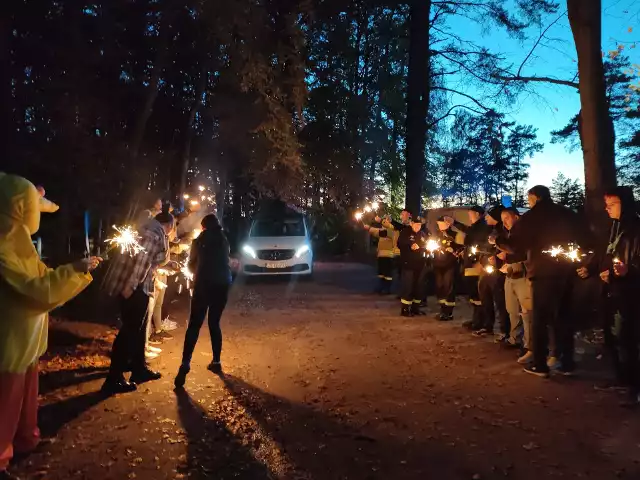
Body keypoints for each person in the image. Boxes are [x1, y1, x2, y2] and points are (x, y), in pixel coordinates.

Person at [0, 174, 101, 480]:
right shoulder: (4, 249)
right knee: (5, 402)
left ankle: (24, 440)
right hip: (9, 344)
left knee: (25, 397)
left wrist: (74, 270)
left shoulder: (19, 243)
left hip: (26, 341)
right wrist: (75, 271)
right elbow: (37, 289)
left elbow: (43, 276)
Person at [500, 185, 594, 378]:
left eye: (529, 199)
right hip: (567, 272)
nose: (529, 203)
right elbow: (587, 240)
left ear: (534, 198)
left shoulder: (532, 218)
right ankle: (567, 362)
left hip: (543, 273)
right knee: (564, 317)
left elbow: (516, 246)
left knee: (540, 318)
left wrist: (499, 242)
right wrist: (583, 262)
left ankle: (540, 364)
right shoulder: (568, 214)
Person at [102, 212, 174, 394]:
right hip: (135, 289)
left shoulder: (147, 228)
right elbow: (142, 262)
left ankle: (139, 369)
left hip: (139, 287)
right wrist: (131, 286)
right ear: (169, 226)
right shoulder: (155, 233)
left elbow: (148, 260)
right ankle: (114, 378)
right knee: (129, 332)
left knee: (139, 330)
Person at [175, 214, 232, 387]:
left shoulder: (198, 241)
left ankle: (185, 363)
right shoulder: (224, 240)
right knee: (214, 322)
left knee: (194, 324)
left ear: (204, 227)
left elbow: (191, 265)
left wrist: (197, 269)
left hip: (203, 285)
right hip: (222, 285)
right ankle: (216, 361)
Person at [595, 187, 640, 406]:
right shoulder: (614, 227)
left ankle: (634, 385)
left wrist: (628, 271)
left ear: (625, 204)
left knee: (630, 339)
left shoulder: (636, 229)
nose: (607, 209)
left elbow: (633, 261)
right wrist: (606, 271)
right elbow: (609, 254)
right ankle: (622, 378)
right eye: (606, 204)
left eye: (612, 204)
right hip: (613, 290)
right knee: (614, 335)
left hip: (631, 293)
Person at [495, 207, 533, 363]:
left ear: (516, 217)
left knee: (526, 311)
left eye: (507, 218)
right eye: (503, 220)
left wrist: (510, 256)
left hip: (522, 275)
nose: (505, 222)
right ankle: (514, 338)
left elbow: (521, 252)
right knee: (512, 309)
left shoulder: (524, 234)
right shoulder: (507, 234)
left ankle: (529, 345)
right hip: (509, 275)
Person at [446, 206, 492, 331]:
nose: (469, 216)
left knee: (478, 293)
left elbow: (472, 235)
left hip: (476, 264)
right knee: (473, 293)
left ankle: (482, 322)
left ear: (477, 214)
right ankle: (476, 319)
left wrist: (454, 223)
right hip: (469, 263)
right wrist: (462, 252)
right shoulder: (476, 227)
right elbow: (469, 240)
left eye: (470, 214)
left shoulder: (482, 227)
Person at [476, 206, 510, 340]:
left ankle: (504, 330)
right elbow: (485, 248)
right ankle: (487, 325)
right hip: (486, 270)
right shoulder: (490, 231)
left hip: (498, 272)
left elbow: (505, 249)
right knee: (485, 298)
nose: (485, 217)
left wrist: (495, 257)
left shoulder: (504, 231)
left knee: (500, 302)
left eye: (488, 215)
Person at [432, 216, 464, 321]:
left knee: (448, 287)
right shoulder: (436, 236)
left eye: (441, 223)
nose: (439, 225)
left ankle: (448, 312)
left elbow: (461, 248)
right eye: (438, 224)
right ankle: (442, 310)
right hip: (438, 264)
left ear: (448, 224)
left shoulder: (455, 235)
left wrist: (453, 249)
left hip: (450, 265)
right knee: (439, 286)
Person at [397, 216, 427, 317]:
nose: (418, 226)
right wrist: (410, 244)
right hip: (408, 263)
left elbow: (426, 245)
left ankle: (415, 308)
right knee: (408, 286)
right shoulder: (405, 232)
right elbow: (400, 243)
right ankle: (405, 309)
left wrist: (425, 248)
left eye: (420, 225)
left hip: (420, 264)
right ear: (411, 223)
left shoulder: (422, 234)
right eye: (416, 224)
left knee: (418, 286)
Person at [364, 215, 397, 295]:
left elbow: (378, 232)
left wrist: (369, 228)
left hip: (388, 255)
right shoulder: (384, 230)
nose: (385, 221)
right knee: (381, 273)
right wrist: (368, 228)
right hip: (381, 255)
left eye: (386, 220)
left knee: (387, 274)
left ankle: (387, 289)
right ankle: (381, 288)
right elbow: (377, 231)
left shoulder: (392, 230)